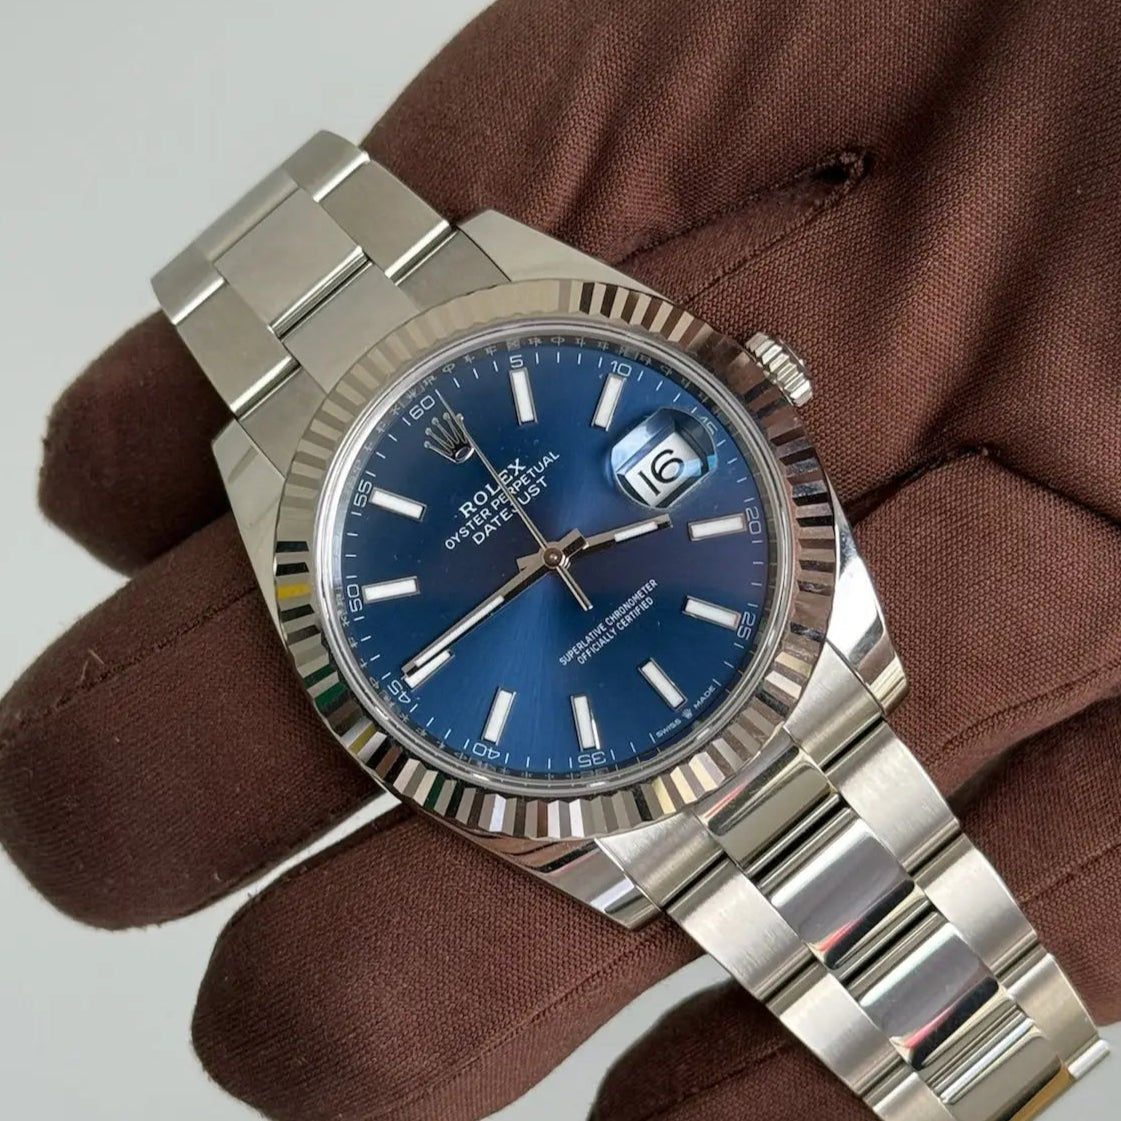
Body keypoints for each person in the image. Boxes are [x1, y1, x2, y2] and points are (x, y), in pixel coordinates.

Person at [1, 0, 1118, 1118]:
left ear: (759, 382)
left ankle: (970, 1045)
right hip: (588, 724)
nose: (547, 557)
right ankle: (967, 1050)